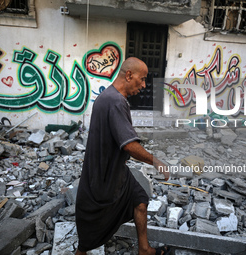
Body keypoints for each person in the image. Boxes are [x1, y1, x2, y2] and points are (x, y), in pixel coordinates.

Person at [75, 57, 170, 255]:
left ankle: (144, 249)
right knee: (93, 225)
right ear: (128, 75)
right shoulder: (117, 101)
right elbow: (129, 145)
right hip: (106, 176)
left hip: (116, 171)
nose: (143, 85)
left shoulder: (106, 96)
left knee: (140, 200)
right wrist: (156, 161)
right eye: (142, 79)